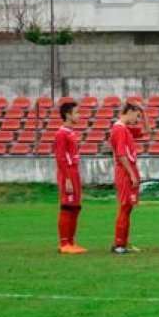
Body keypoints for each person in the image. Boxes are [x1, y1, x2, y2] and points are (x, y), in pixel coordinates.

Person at [110, 102, 149, 255]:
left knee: (128, 207)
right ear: (129, 112)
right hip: (125, 172)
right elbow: (121, 154)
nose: (137, 120)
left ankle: (122, 242)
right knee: (125, 207)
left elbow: (147, 131)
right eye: (137, 116)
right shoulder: (119, 129)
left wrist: (144, 113)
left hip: (129, 170)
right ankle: (119, 244)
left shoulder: (124, 129)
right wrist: (132, 174)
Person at [54, 100, 86, 255]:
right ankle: (64, 243)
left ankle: (71, 241)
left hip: (74, 172)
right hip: (67, 173)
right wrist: (66, 178)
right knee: (67, 207)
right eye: (76, 112)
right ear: (68, 115)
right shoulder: (61, 134)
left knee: (75, 207)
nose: (79, 115)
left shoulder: (71, 132)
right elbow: (60, 157)